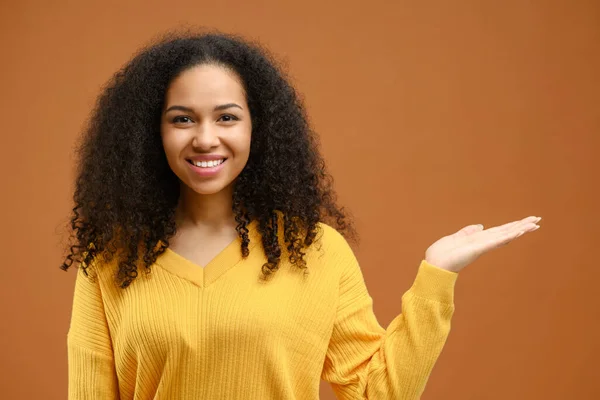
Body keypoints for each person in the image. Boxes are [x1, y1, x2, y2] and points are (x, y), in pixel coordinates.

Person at [62, 31, 541, 400]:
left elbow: (377, 391)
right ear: (152, 133)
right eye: (182, 118)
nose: (205, 138)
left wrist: (438, 275)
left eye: (227, 117)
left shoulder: (314, 249)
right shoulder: (110, 259)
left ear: (258, 127)